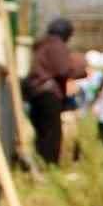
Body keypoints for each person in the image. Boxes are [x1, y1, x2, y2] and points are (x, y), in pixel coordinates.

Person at [23, 17, 87, 166]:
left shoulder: (42, 45)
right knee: (51, 134)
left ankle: (41, 163)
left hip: (36, 93)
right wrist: (81, 70)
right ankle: (48, 166)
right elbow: (63, 70)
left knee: (43, 133)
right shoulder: (56, 45)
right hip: (48, 95)